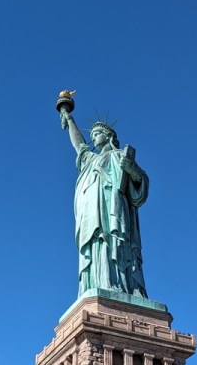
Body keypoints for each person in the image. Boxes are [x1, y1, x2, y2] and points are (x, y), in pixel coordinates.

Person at [59, 108, 149, 298]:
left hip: (113, 211)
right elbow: (80, 146)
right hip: (91, 216)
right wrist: (69, 119)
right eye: (92, 134)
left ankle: (122, 286)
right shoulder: (90, 160)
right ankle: (100, 283)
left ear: (108, 136)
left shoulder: (119, 156)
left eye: (97, 133)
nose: (93, 137)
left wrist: (132, 170)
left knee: (115, 244)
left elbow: (140, 185)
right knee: (97, 246)